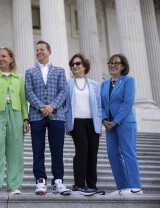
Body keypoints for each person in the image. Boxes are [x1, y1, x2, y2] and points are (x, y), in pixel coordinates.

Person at [25, 40, 70, 195]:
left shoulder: (59, 71)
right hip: (36, 116)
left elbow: (63, 91)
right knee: (38, 149)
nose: (39, 52)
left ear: (49, 52)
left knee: (57, 150)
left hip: (56, 115)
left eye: (42, 49)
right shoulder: (30, 72)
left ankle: (58, 181)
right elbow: (28, 92)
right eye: (37, 50)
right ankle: (40, 181)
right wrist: (42, 107)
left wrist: (52, 106)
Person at [0, 47, 29, 195]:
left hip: (16, 114)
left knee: (15, 151)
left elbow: (23, 100)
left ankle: (14, 186)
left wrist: (25, 118)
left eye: (4, 56)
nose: (1, 59)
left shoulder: (18, 77)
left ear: (11, 59)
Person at [101, 54, 142, 195]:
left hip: (125, 122)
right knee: (112, 154)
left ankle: (135, 187)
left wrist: (116, 121)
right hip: (109, 125)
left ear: (123, 66)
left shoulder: (128, 81)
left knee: (128, 153)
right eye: (111, 63)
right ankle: (123, 187)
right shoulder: (104, 84)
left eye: (117, 63)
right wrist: (104, 119)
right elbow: (101, 104)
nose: (113, 65)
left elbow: (128, 102)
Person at [65, 53, 103, 196]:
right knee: (82, 150)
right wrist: (66, 125)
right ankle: (79, 184)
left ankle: (92, 185)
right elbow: (64, 105)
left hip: (92, 122)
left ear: (85, 66)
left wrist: (99, 126)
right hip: (76, 121)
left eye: (78, 63)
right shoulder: (67, 84)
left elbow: (99, 105)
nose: (75, 66)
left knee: (93, 152)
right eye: (72, 64)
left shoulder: (94, 85)